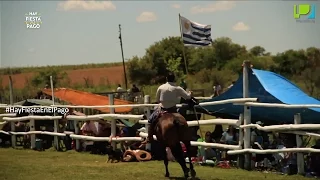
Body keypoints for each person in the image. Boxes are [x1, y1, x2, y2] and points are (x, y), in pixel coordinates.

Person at [141, 72, 192, 144]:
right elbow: (188, 97)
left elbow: (157, 99)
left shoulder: (161, 87)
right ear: (174, 79)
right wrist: (190, 93)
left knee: (150, 120)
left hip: (163, 109)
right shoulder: (178, 88)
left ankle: (150, 138)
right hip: (173, 109)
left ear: (166, 79)